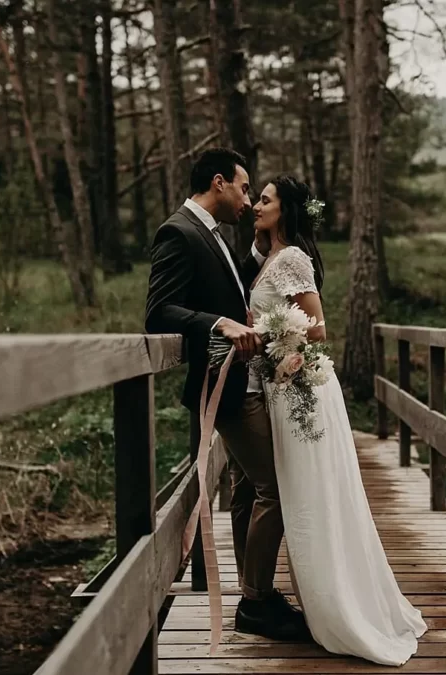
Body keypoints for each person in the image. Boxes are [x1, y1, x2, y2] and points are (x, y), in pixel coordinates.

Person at [247, 174, 427, 666]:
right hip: (282, 388)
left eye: (265, 200)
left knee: (311, 496)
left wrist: (279, 345)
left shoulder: (292, 259)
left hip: (298, 387)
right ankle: (304, 597)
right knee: (300, 493)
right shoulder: (268, 257)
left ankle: (340, 606)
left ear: (285, 210)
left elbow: (318, 327)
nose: (256, 205)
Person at [144, 148, 308, 641]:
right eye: (243, 187)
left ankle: (253, 593)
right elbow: (158, 313)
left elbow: (237, 288)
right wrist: (217, 323)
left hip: (240, 381)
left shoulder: (211, 234)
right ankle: (257, 602)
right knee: (274, 487)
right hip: (224, 383)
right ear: (219, 182)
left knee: (244, 491)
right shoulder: (179, 231)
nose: (248, 199)